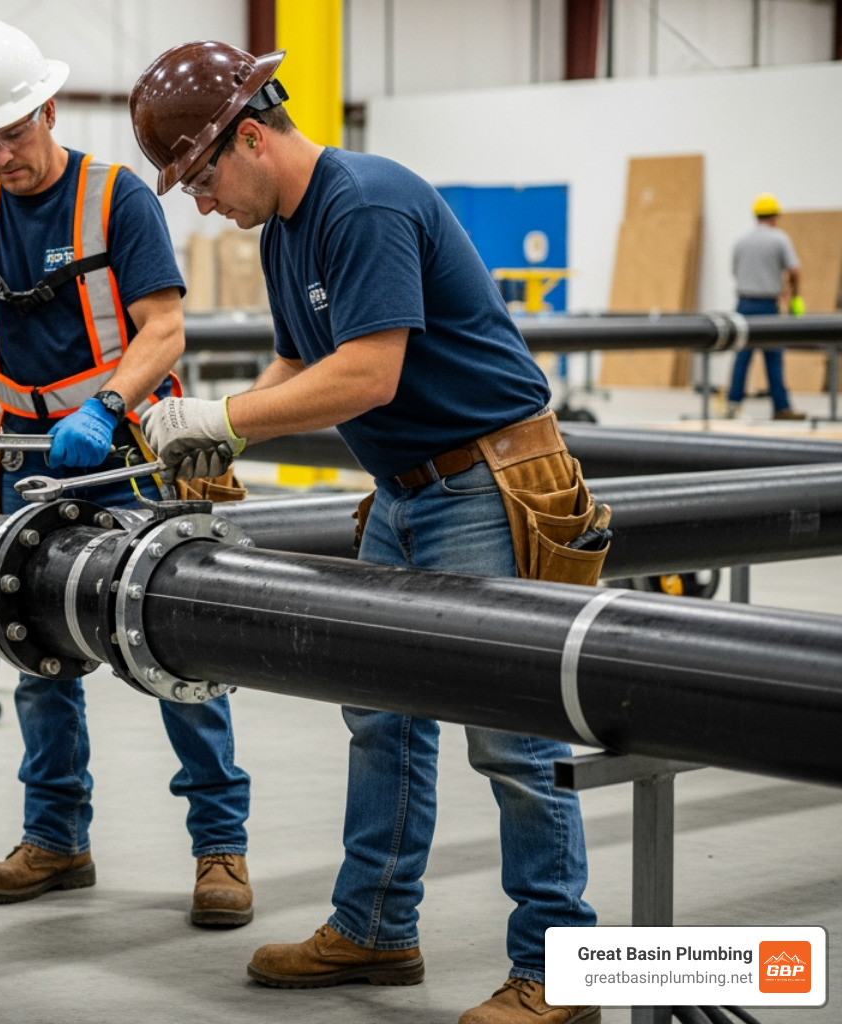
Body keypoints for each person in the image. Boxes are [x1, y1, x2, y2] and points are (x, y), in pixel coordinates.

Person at [129, 41, 606, 1024]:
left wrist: (223, 418)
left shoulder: (365, 201)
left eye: (201, 177)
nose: (201, 202)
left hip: (488, 483)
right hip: (404, 491)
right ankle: (378, 926)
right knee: (380, 714)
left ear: (249, 138)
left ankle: (562, 971)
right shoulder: (283, 233)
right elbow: (300, 364)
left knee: (515, 736)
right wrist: (214, 435)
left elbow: (368, 376)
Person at [0, 21, 253, 928]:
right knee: (35, 644)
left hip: (127, 446)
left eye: (12, 134)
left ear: (48, 110)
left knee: (174, 638)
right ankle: (55, 838)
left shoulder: (117, 200)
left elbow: (164, 328)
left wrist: (104, 408)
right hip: (26, 454)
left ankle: (221, 848)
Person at [725, 192, 805, 421]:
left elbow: (734, 271)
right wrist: (794, 296)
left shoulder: (741, 240)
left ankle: (733, 404)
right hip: (768, 305)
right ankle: (781, 407)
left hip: (743, 303)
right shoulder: (779, 239)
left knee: (742, 356)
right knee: (773, 356)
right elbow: (794, 271)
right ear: (775, 216)